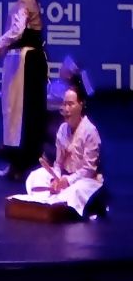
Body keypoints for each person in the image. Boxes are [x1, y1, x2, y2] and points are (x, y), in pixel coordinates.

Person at [19, 79, 106, 219]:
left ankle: (63, 204)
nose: (66, 109)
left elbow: (89, 170)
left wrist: (67, 181)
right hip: (65, 177)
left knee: (77, 190)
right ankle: (49, 201)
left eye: (70, 104)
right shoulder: (62, 129)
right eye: (64, 104)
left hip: (85, 180)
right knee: (36, 175)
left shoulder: (90, 131)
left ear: (81, 105)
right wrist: (56, 179)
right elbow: (58, 164)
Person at [0, 0, 48, 180]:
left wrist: (0, 43)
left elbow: (17, 30)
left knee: (18, 111)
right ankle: (21, 162)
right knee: (27, 111)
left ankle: (19, 162)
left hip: (24, 62)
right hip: (30, 60)